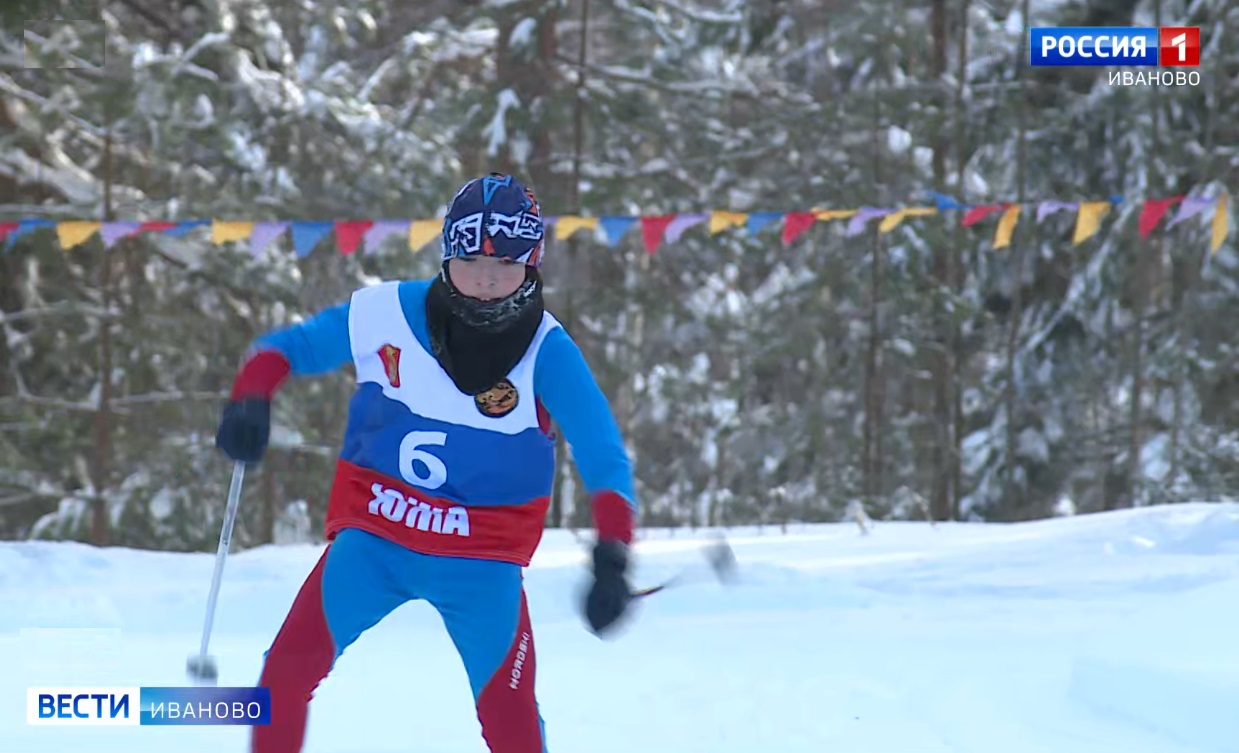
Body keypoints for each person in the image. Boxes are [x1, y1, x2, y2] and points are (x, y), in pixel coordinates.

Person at [214, 173, 639, 753]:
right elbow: (287, 349)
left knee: (510, 721)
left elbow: (602, 452)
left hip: (481, 564)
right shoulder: (386, 312)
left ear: (531, 264)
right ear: (446, 255)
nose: (486, 280)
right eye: (470, 262)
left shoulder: (549, 352)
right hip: (376, 543)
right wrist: (250, 398)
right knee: (282, 677)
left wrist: (613, 554)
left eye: (505, 265)